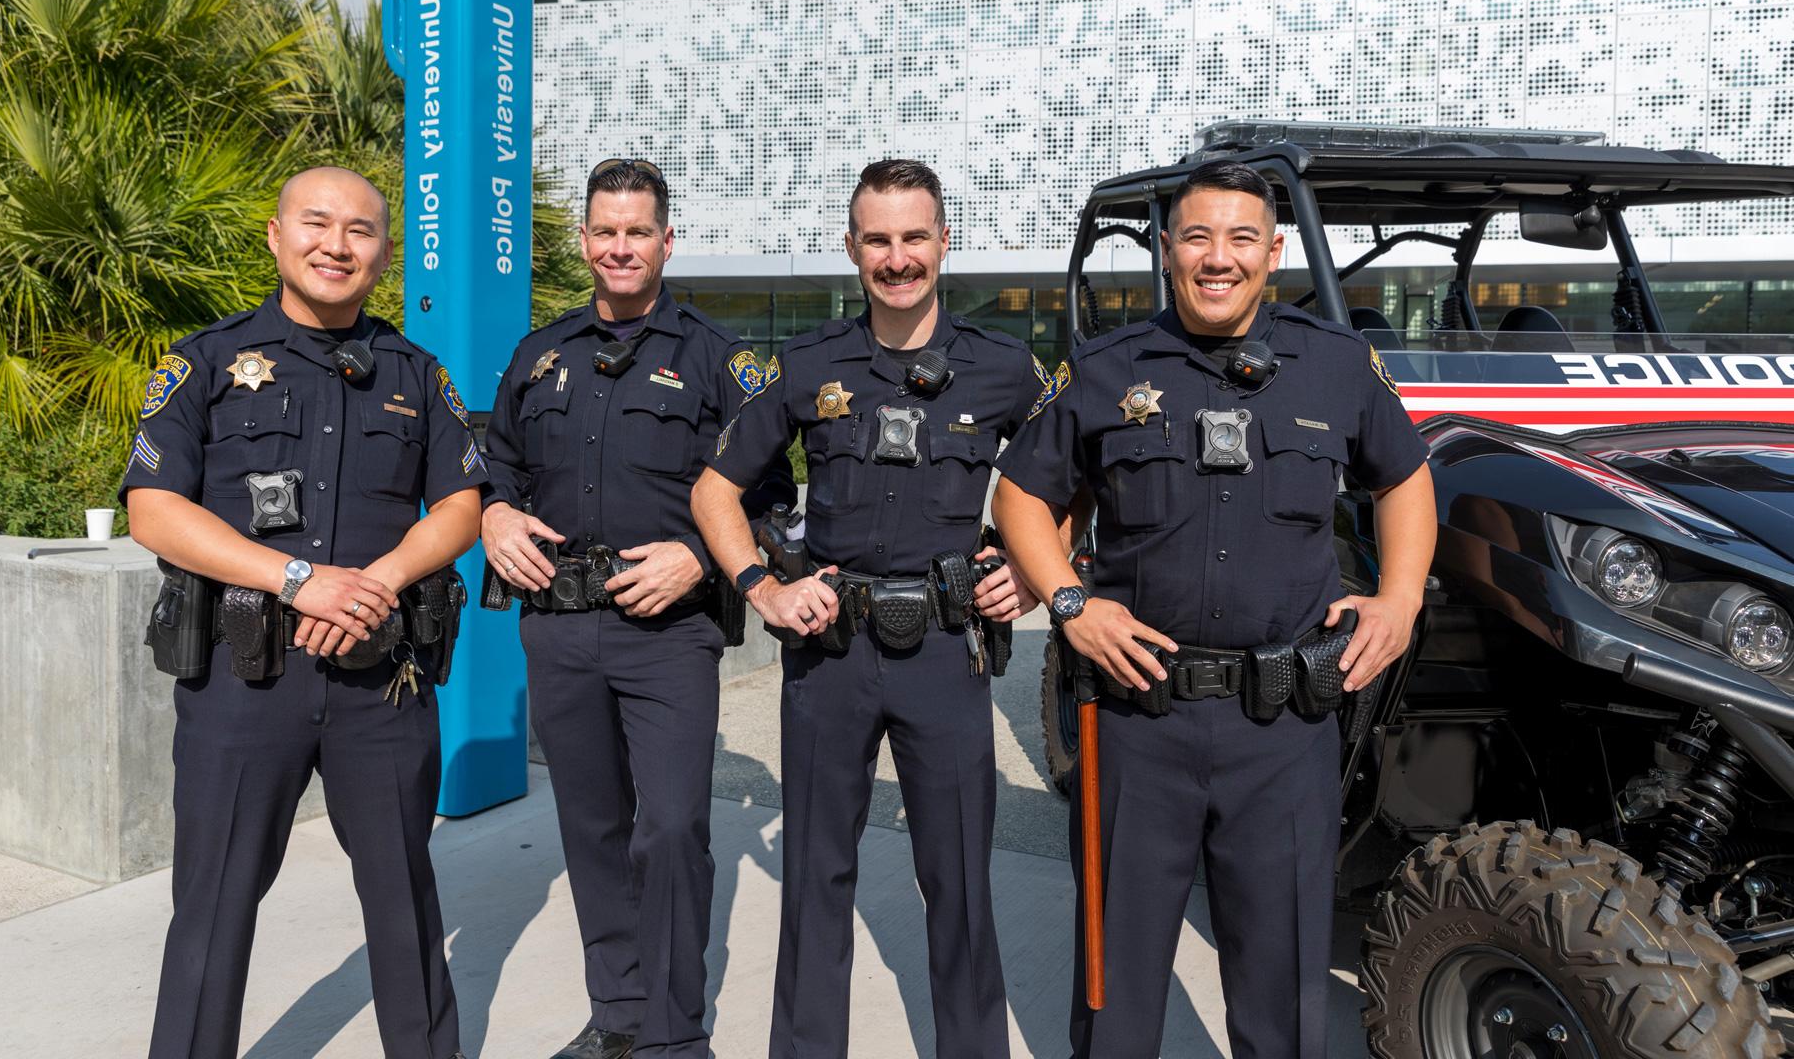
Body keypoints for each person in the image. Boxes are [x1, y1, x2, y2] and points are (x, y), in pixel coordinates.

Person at [991, 160, 1438, 1059]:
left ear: (1273, 253)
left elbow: (1406, 477)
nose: (1217, 258)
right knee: (1114, 983)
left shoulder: (1336, 363)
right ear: (1166, 251)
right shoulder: (1106, 368)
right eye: (1197, 237)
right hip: (1136, 718)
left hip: (1283, 726)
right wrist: (1070, 601)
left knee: (1282, 991)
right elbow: (1021, 497)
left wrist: (1397, 600)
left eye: (1240, 239)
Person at [125, 166, 487, 1059]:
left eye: (360, 230)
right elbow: (154, 510)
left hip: (382, 682)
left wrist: (377, 583)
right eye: (317, 224)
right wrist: (298, 580)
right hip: (245, 686)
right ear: (277, 236)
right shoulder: (204, 362)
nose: (337, 244)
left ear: (383, 253)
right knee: (211, 906)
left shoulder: (414, 372)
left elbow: (463, 506)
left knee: (404, 900)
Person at [690, 158, 1048, 1059]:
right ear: (852, 249)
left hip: (944, 651)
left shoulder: (1004, 369)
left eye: (913, 237)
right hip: (831, 652)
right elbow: (714, 492)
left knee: (959, 884)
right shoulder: (808, 365)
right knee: (815, 878)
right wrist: (761, 588)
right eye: (878, 240)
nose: (897, 258)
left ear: (944, 241)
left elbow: (1065, 478)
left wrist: (1039, 571)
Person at [479, 158, 793, 1059]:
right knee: (593, 830)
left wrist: (699, 557)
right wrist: (496, 511)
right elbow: (494, 464)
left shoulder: (718, 360)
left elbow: (770, 491)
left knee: (672, 828)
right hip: (561, 627)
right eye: (605, 231)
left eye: (638, 231)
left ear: (666, 240)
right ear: (585, 240)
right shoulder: (539, 355)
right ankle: (618, 1020)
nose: (621, 247)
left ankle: (673, 1032)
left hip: (669, 634)